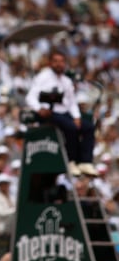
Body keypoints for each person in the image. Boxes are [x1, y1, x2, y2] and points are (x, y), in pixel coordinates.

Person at [25, 48, 97, 177]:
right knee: (71, 128)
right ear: (50, 63)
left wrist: (77, 116)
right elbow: (30, 97)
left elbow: (72, 102)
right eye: (56, 61)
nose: (59, 64)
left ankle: (85, 161)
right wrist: (39, 108)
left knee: (88, 127)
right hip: (49, 113)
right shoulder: (43, 77)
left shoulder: (67, 81)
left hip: (64, 113)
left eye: (62, 61)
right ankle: (71, 161)